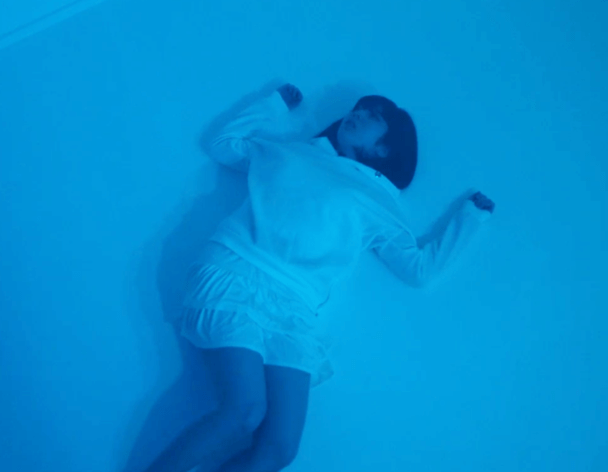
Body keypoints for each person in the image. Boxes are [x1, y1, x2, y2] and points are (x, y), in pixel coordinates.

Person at [141, 83, 495, 472]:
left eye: (372, 116)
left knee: (279, 448)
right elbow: (223, 145)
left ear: (384, 149)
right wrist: (274, 104)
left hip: (294, 308)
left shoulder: (379, 200)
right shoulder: (291, 153)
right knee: (244, 412)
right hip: (237, 272)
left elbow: (419, 270)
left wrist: (470, 218)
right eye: (358, 108)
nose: (357, 113)